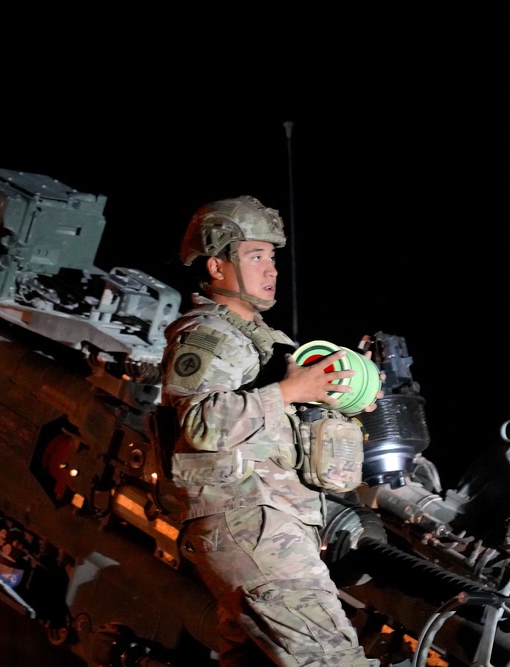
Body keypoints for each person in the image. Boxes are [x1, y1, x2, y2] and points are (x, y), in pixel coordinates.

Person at [159, 195, 380, 667]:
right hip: (247, 524)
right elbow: (200, 423)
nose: (270, 269)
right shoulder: (206, 335)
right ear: (217, 267)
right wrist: (288, 391)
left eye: (273, 257)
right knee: (332, 659)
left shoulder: (265, 342)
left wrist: (346, 395)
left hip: (270, 524)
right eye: (255, 256)